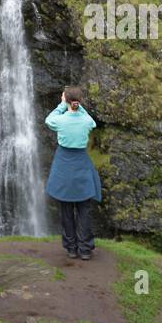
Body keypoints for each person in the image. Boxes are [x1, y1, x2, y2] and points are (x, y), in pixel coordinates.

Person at [45, 86, 101, 260]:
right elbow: (92, 122)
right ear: (79, 101)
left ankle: (71, 248)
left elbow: (49, 120)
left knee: (66, 210)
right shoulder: (86, 121)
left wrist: (63, 105)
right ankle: (85, 249)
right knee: (84, 209)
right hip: (81, 165)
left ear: (65, 100)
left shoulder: (60, 121)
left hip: (63, 166)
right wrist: (77, 105)